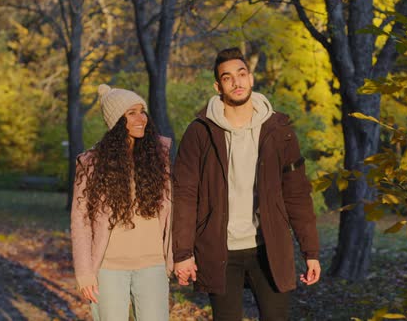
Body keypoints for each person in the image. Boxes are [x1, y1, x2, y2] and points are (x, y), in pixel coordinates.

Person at [172, 47, 321, 320]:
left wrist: (310, 251)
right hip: (219, 248)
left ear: (251, 78)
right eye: (227, 78)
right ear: (218, 86)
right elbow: (184, 194)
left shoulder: (279, 130)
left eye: (241, 74)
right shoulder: (200, 132)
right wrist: (182, 253)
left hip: (268, 247)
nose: (237, 82)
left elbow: (297, 194)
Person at [70, 84, 172, 321]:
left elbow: (171, 210)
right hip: (108, 269)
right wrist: (85, 274)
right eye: (131, 113)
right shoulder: (91, 163)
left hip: (153, 265)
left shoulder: (160, 155)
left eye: (142, 111)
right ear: (116, 121)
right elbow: (81, 222)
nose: (141, 118)